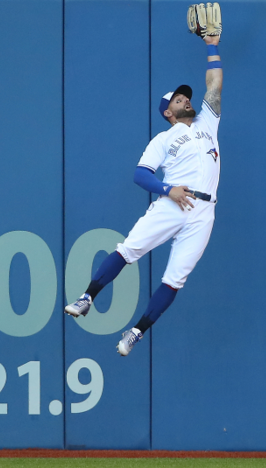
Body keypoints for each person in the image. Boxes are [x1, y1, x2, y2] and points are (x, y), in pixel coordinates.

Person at [64, 19, 222, 357]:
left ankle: (136, 332)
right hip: (173, 202)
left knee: (175, 279)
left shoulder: (208, 122)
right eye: (178, 99)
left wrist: (212, 44)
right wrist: (167, 190)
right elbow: (140, 174)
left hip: (204, 212)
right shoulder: (164, 138)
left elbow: (215, 84)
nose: (185, 100)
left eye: (185, 97)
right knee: (129, 250)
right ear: (168, 111)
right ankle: (87, 296)